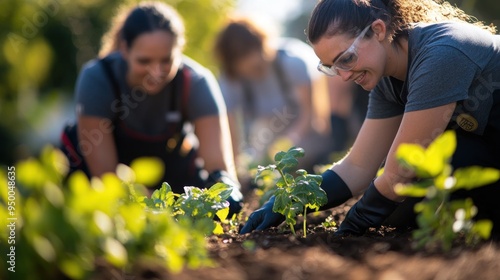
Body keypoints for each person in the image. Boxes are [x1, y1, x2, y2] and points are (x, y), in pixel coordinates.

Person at [241, 0, 500, 235]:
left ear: (378, 30)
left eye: (346, 59)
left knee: (446, 161)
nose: (343, 76)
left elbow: (402, 170)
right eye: (332, 67)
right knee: (401, 212)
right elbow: (358, 167)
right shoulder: (386, 81)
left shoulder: (442, 53)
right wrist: (287, 200)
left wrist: (353, 225)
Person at [60, 2, 242, 214]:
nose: (156, 72)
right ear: (124, 49)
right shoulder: (97, 78)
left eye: (166, 60)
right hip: (108, 178)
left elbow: (217, 167)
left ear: (179, 50)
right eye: (144, 61)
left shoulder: (196, 82)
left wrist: (226, 188)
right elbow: (106, 178)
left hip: (167, 170)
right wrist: (156, 210)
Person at [214, 17, 332, 179]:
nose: (252, 67)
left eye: (253, 58)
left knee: (296, 160)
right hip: (269, 130)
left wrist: (287, 144)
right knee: (256, 161)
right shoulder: (230, 79)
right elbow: (230, 130)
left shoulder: (292, 62)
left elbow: (312, 118)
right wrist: (235, 169)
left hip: (303, 129)